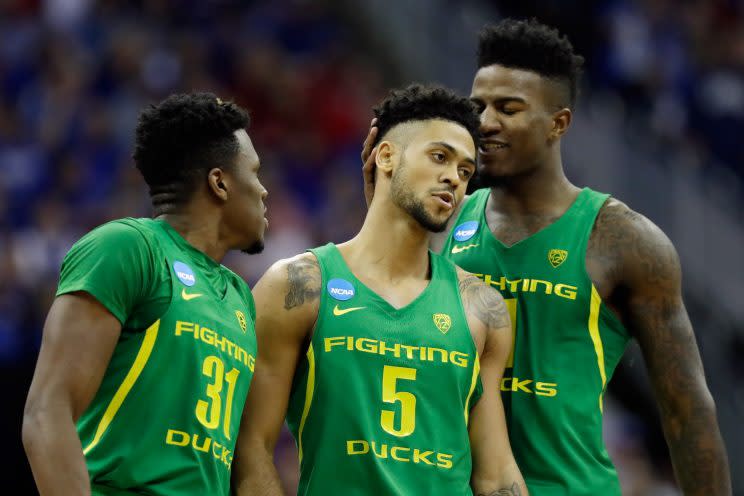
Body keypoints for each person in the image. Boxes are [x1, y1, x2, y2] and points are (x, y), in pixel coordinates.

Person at [361, 19, 731, 496]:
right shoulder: (444, 222)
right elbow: (382, 340)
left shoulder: (622, 238)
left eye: (508, 108)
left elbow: (688, 410)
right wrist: (382, 223)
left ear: (559, 122)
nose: (486, 122)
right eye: (478, 106)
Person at [232, 84, 528, 495]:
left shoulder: (482, 308)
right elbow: (250, 449)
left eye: (465, 171)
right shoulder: (299, 284)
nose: (453, 179)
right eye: (440, 157)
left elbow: (496, 473)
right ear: (386, 156)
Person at [22, 93, 268, 496]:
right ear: (219, 182)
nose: (263, 190)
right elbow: (46, 412)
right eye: (256, 172)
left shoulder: (240, 295)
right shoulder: (127, 248)